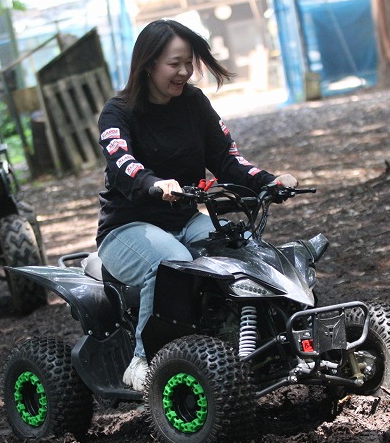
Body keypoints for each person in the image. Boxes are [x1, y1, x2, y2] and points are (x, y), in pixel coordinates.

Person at [96, 19, 297, 391]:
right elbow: (123, 163)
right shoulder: (117, 112)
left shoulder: (193, 102)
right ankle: (142, 361)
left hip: (186, 219)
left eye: (188, 62)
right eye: (175, 63)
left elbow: (226, 159)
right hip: (125, 228)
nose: (185, 71)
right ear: (148, 64)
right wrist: (154, 184)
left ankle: (258, 344)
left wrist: (268, 181)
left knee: (243, 250)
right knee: (172, 263)